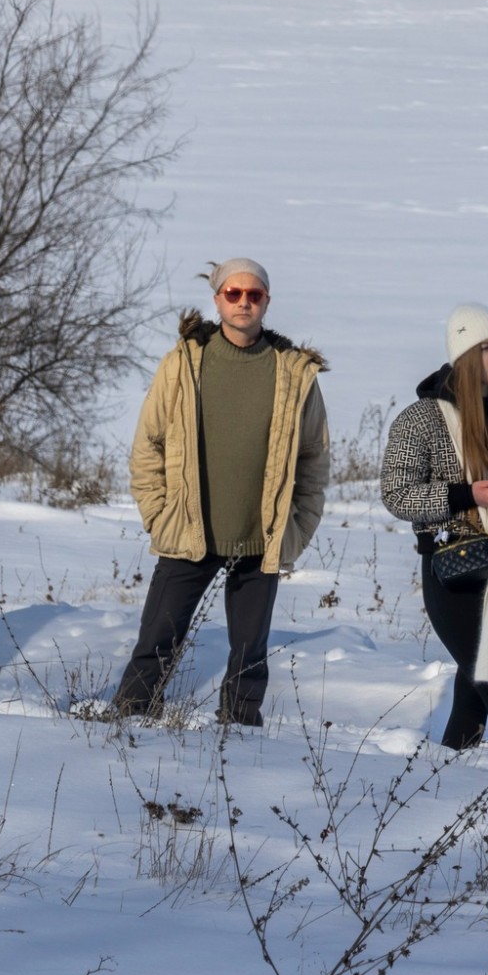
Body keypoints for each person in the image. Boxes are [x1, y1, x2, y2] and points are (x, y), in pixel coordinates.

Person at [111, 259, 330, 727]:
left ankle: (240, 735)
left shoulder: (294, 373)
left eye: (254, 294)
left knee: (250, 653)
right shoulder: (184, 362)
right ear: (217, 299)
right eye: (234, 293)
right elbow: (148, 443)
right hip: (188, 530)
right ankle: (129, 719)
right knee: (156, 639)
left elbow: (314, 459)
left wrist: (298, 527)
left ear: (266, 302)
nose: (243, 302)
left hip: (260, 535)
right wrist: (159, 514)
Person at [379, 304, 488, 755]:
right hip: (455, 567)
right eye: (485, 348)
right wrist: (467, 494)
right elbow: (397, 494)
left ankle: (452, 769)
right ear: (461, 354)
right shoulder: (421, 419)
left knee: (474, 690)